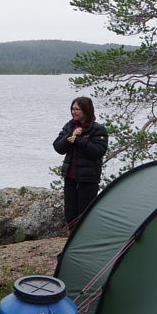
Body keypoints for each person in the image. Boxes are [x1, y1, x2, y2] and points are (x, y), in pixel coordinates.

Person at [53, 96, 108, 228]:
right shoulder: (69, 126)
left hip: (88, 178)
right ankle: (72, 244)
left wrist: (79, 140)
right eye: (72, 109)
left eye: (77, 109)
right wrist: (70, 136)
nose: (74, 112)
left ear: (86, 110)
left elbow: (98, 152)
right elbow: (58, 147)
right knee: (70, 214)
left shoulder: (98, 129)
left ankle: (85, 242)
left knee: (84, 215)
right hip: (70, 177)